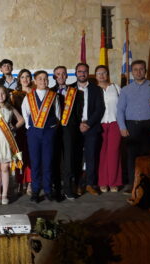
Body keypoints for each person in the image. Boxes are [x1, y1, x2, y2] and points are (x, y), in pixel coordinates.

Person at [117, 60, 150, 194]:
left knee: (148, 156)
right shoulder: (125, 90)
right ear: (132, 72)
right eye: (135, 69)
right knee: (132, 157)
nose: (138, 72)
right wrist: (122, 127)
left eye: (141, 69)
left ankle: (148, 184)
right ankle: (131, 184)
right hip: (132, 126)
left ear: (145, 71)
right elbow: (120, 110)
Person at [22, 70, 61, 203]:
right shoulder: (29, 97)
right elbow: (26, 114)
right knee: (35, 162)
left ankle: (48, 190)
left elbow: (58, 115)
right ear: (35, 81)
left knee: (48, 162)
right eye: (40, 79)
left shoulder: (53, 96)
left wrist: (51, 129)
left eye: (45, 79)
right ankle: (35, 190)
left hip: (48, 133)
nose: (43, 81)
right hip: (34, 133)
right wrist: (31, 128)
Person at [71, 63, 105, 196]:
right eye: (79, 71)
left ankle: (90, 184)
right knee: (77, 158)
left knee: (91, 157)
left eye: (85, 71)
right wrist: (78, 124)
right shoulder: (71, 89)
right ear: (76, 73)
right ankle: (79, 184)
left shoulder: (96, 89)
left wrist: (88, 123)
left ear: (88, 72)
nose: (82, 74)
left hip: (91, 128)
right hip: (76, 128)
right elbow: (68, 111)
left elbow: (100, 109)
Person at [50, 66, 84, 200]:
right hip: (54, 130)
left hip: (69, 130)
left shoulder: (75, 92)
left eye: (63, 74)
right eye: (58, 74)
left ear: (66, 76)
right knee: (55, 159)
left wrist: (75, 128)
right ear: (54, 76)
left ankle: (69, 189)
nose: (61, 76)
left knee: (69, 160)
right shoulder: (49, 92)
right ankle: (57, 188)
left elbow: (78, 113)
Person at [95, 65, 122, 193]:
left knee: (114, 152)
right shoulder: (93, 90)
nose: (101, 75)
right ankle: (103, 182)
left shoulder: (116, 88)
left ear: (108, 74)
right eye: (99, 73)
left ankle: (114, 182)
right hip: (99, 125)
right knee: (102, 154)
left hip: (114, 123)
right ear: (96, 76)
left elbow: (123, 107)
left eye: (104, 73)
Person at [11, 69, 33, 195]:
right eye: (22, 77)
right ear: (19, 79)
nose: (25, 79)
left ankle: (30, 182)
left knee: (31, 156)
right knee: (19, 156)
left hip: (32, 129)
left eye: (28, 76)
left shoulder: (36, 92)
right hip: (19, 130)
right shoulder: (14, 94)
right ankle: (20, 182)